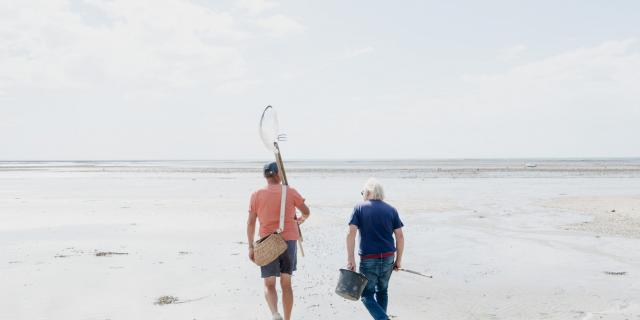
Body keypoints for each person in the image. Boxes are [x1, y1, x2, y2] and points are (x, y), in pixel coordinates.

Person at [247, 162, 311, 320]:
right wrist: (300, 220)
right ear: (278, 174)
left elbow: (250, 222)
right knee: (286, 283)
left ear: (265, 176)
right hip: (288, 240)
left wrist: (250, 246)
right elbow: (306, 212)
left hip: (267, 241)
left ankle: (275, 314)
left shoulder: (256, 194)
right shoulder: (290, 191)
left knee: (269, 284)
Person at [346, 178, 404, 320]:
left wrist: (350, 258)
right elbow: (400, 236)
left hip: (368, 259)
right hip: (389, 257)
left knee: (366, 295)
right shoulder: (391, 210)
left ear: (367, 192)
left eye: (363, 192)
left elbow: (350, 234)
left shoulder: (359, 208)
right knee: (382, 291)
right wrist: (398, 260)